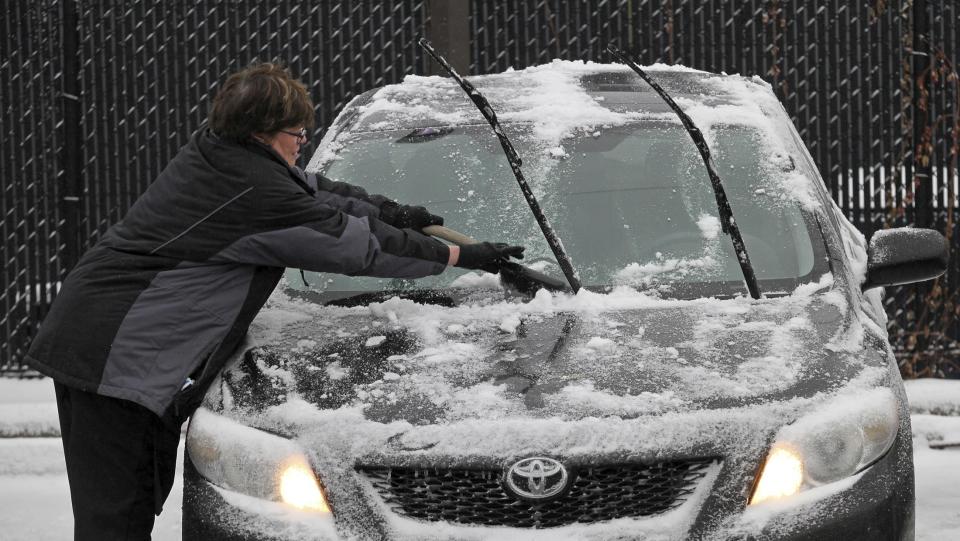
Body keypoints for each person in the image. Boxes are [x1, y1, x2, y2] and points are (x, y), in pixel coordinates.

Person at [25, 62, 524, 540]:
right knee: (118, 517)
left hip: (107, 343)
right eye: (298, 134)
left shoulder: (224, 157)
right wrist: (460, 254)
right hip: (112, 354)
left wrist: (393, 211)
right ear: (263, 131)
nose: (302, 145)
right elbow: (353, 246)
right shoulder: (251, 192)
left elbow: (317, 193)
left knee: (125, 505)